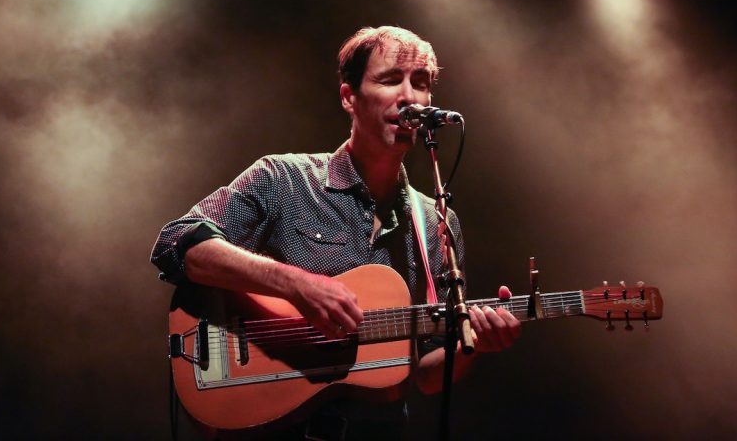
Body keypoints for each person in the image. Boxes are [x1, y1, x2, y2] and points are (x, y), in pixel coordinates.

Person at [153, 26, 520, 439]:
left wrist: (473, 348)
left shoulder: (436, 221)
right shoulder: (283, 179)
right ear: (349, 97)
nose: (409, 96)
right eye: (390, 79)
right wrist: (297, 285)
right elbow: (176, 244)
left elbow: (428, 374)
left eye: (420, 83)